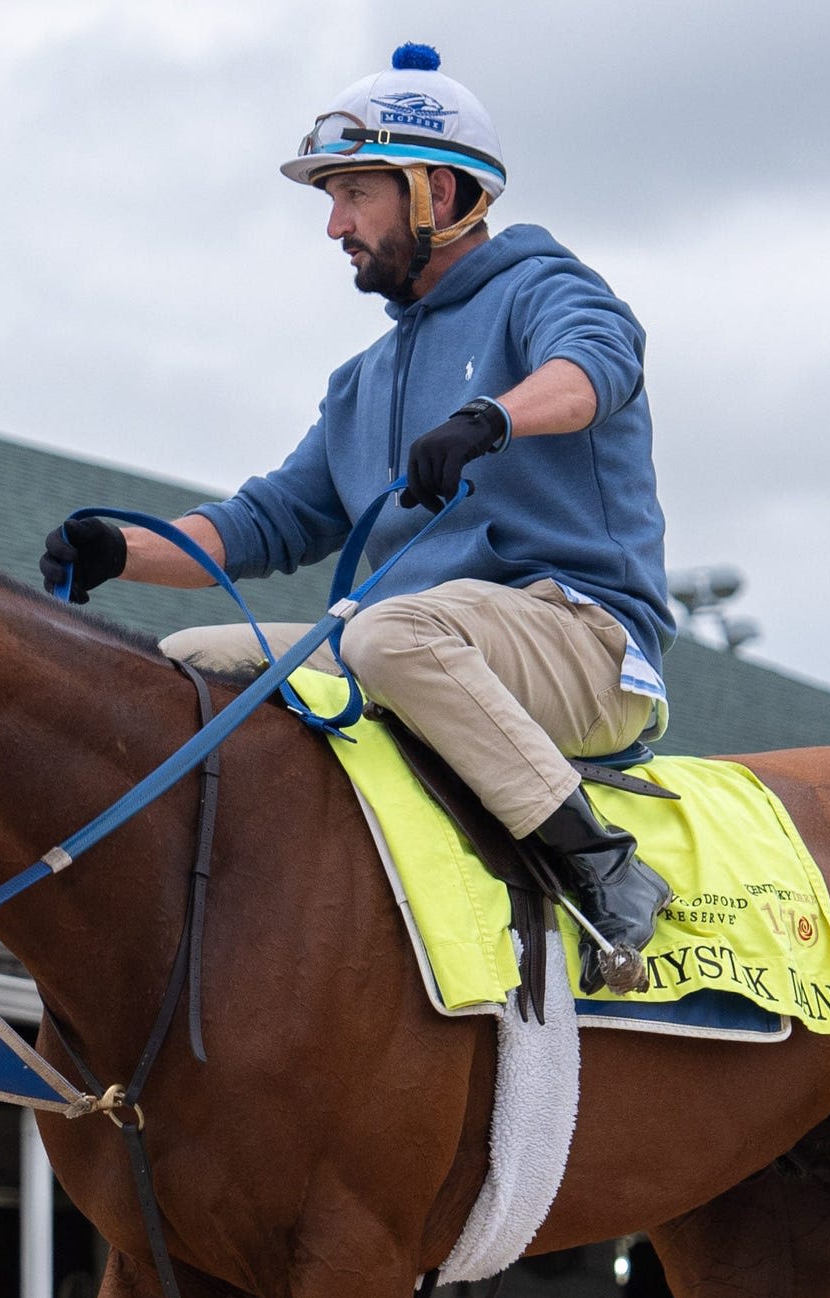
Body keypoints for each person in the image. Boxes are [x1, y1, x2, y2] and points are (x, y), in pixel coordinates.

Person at [41, 44, 675, 986]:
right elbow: (262, 524)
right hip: (415, 645)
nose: (334, 225)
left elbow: (593, 372)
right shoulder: (363, 381)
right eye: (329, 201)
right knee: (179, 667)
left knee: (387, 636)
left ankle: (605, 870)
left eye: (355, 195)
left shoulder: (547, 288)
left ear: (441, 196)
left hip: (585, 641)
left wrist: (492, 416)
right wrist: (117, 550)